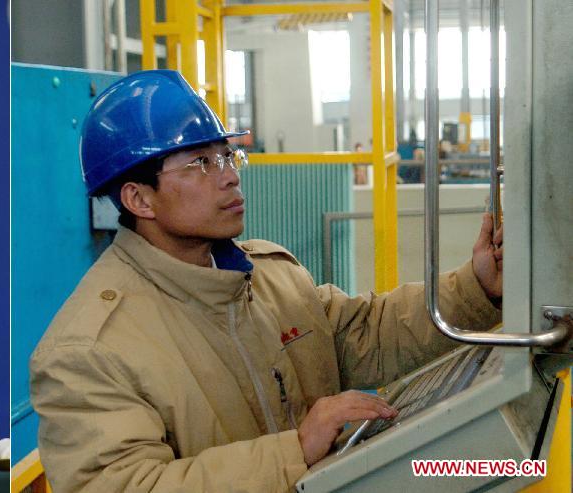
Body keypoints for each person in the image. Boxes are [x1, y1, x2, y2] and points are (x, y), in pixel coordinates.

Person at [29, 70, 503, 492]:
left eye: (228, 156)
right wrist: (295, 450)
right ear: (139, 199)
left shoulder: (270, 277)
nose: (230, 178)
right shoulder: (87, 352)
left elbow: (365, 334)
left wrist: (476, 287)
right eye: (200, 163)